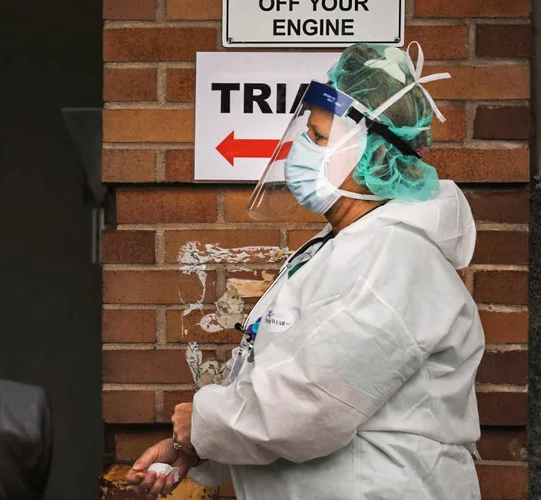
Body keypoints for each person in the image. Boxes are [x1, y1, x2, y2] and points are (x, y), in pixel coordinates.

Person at [126, 42, 484, 499]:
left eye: (317, 138)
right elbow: (288, 381)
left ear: (372, 155)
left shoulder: (395, 259)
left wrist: (201, 425)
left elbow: (310, 403)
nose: (301, 148)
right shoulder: (341, 246)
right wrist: (199, 450)